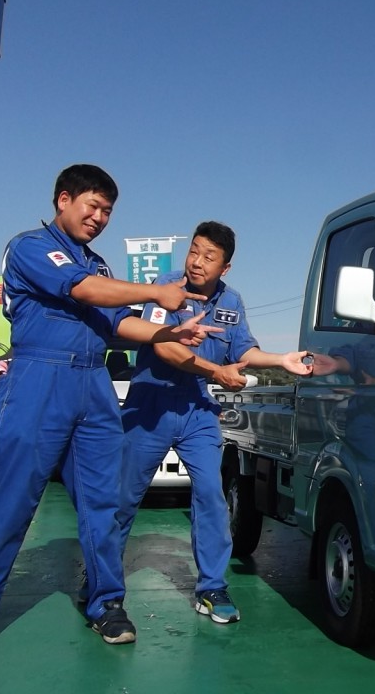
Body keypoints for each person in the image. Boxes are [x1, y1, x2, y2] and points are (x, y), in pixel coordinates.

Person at [0, 164, 218, 664]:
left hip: (92, 385)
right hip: (36, 381)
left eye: (107, 211)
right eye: (91, 206)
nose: (99, 218)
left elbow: (119, 323)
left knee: (103, 504)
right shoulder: (30, 247)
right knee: (12, 504)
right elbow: (83, 290)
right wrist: (157, 291)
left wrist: (169, 334)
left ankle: (107, 603)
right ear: (63, 200)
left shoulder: (102, 267)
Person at [117, 220, 311, 624]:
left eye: (209, 257)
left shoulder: (232, 302)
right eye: (194, 251)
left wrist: (281, 360)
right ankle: (103, 585)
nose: (197, 262)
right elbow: (164, 346)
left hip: (197, 409)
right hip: (151, 403)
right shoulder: (166, 288)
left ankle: (210, 588)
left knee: (210, 494)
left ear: (225, 267)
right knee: (124, 498)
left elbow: (244, 350)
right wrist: (214, 371)